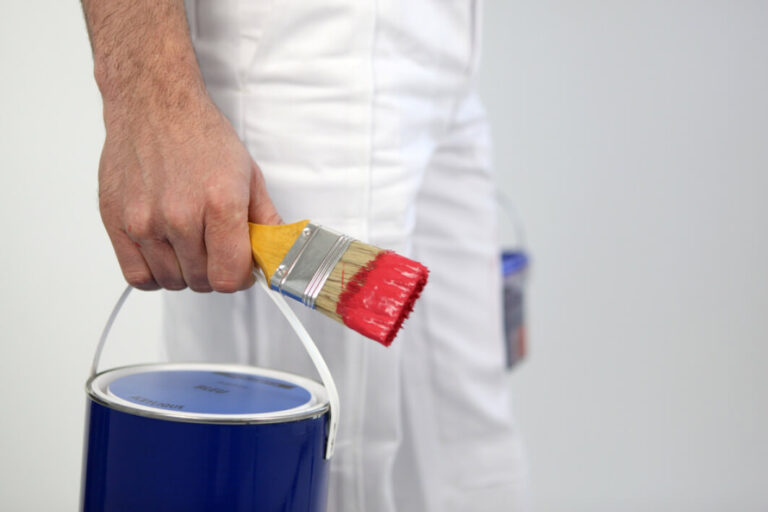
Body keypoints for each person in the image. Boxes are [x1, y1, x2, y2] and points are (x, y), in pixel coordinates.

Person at [82, 1, 529, 510]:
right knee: (315, 469)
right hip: (297, 58)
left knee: (468, 467)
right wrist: (155, 104)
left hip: (444, 49)